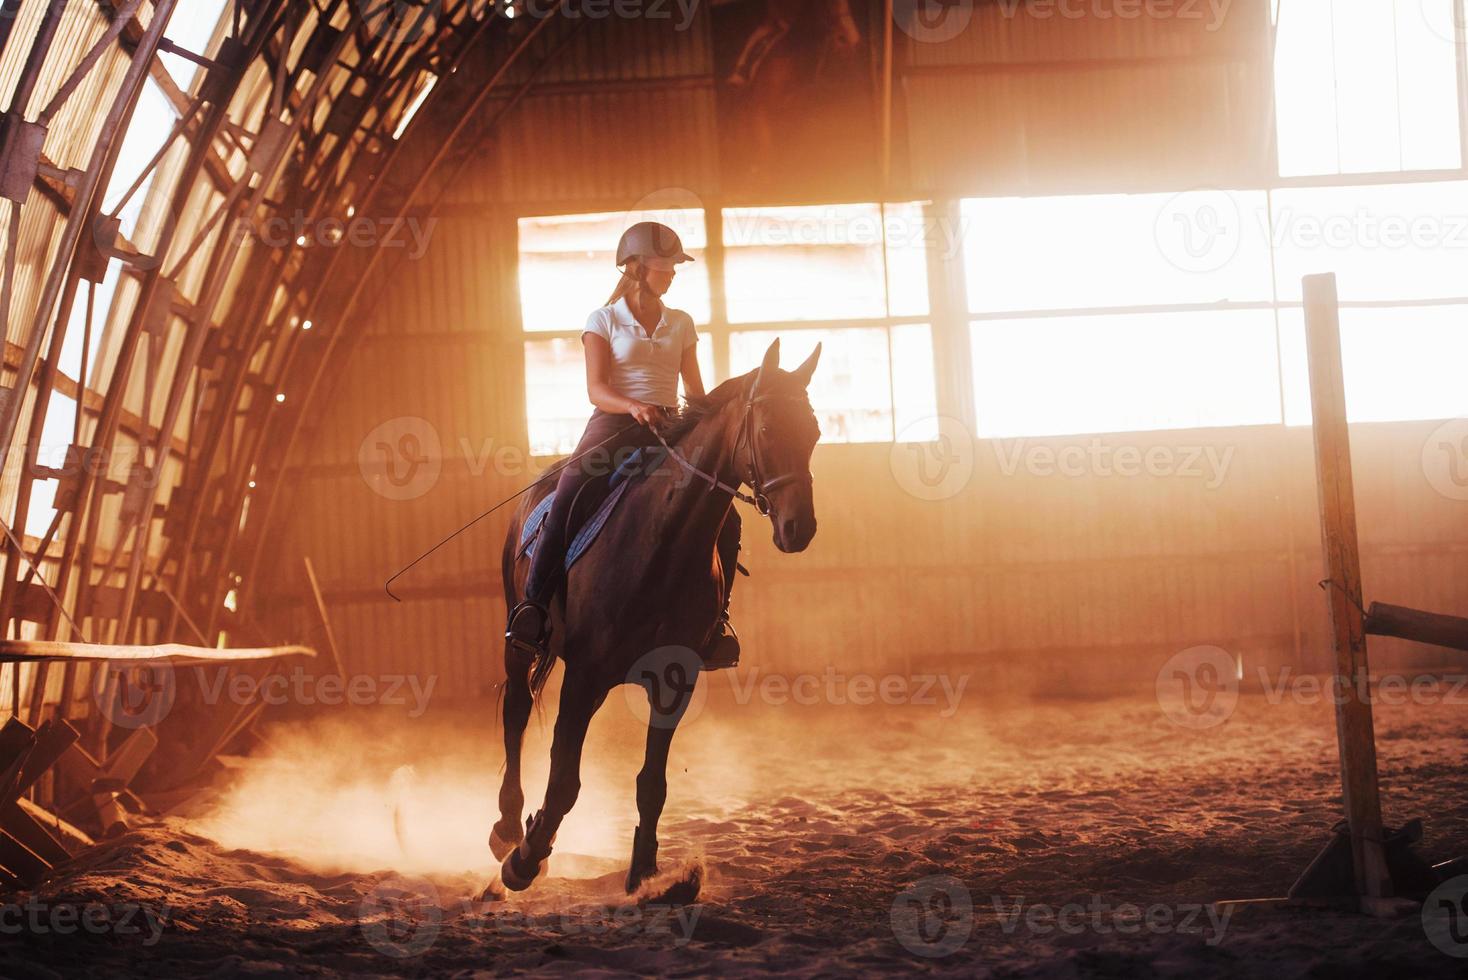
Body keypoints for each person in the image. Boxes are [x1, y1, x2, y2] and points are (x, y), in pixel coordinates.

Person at [505, 221, 743, 668]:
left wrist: (721, 412)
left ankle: (715, 623)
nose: (672, 273)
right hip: (612, 427)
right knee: (569, 496)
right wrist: (634, 406)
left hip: (670, 429)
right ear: (637, 267)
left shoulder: (682, 323)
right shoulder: (603, 320)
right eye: (665, 265)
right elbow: (596, 388)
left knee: (725, 515)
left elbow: (694, 392)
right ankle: (533, 609)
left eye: (674, 266)